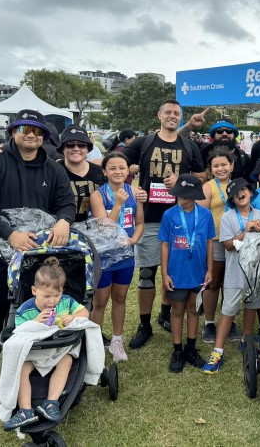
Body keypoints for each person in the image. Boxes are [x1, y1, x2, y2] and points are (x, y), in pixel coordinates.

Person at [0, 109, 76, 422]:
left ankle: (37, 379)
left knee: (35, 315)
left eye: (37, 131)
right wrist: (8, 233)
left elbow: (66, 201)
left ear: (44, 137)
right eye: (25, 129)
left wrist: (65, 219)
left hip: (36, 256)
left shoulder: (53, 169)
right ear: (14, 131)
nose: (31, 135)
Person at [122, 100, 206, 349]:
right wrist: (132, 179)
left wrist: (182, 178)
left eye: (176, 113)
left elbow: (203, 175)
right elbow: (117, 163)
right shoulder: (143, 142)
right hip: (149, 216)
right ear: (158, 115)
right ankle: (144, 324)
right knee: (147, 272)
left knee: (176, 272)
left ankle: (164, 314)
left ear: (181, 118)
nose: (172, 116)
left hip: (180, 215)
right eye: (167, 112)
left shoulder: (189, 145)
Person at [2, 257, 90, 430]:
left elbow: (85, 313)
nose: (52, 301)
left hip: (58, 349)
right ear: (34, 290)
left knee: (67, 361)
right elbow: (19, 332)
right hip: (33, 352)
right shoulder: (26, 310)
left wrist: (73, 317)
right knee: (20, 368)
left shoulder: (66, 302)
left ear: (62, 291)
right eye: (47, 296)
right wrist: (34, 322)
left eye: (56, 295)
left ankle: (51, 402)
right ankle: (25, 410)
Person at [202, 179, 260, 373]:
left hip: (255, 272)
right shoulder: (228, 217)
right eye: (235, 193)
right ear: (231, 199)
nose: (240, 194)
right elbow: (228, 245)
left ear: (250, 192)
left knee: (251, 306)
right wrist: (245, 233)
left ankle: (245, 339)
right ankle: (217, 351)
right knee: (228, 310)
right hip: (234, 273)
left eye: (243, 189)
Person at [89, 152, 144, 363]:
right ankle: (94, 342)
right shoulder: (98, 195)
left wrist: (133, 241)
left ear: (128, 169)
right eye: (112, 168)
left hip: (125, 256)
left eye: (122, 167)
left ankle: (117, 340)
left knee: (120, 297)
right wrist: (119, 204)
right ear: (104, 171)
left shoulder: (135, 192)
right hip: (104, 255)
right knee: (100, 300)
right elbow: (104, 227)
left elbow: (139, 222)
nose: (118, 171)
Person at [159, 174, 215, 373]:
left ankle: (191, 348)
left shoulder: (206, 215)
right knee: (177, 310)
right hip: (176, 273)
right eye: (180, 195)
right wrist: (165, 274)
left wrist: (210, 269)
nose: (183, 199)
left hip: (198, 273)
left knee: (193, 309)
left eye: (188, 195)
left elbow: (209, 243)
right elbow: (164, 245)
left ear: (196, 196)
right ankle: (177, 350)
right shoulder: (169, 215)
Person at [198, 148, 241, 343]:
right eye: (216, 165)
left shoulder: (239, 185)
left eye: (224, 164)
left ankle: (228, 319)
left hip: (237, 240)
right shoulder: (208, 187)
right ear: (211, 168)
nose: (220, 168)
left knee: (231, 283)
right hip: (215, 240)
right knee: (213, 282)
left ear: (231, 166)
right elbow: (202, 216)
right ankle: (208, 323)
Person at [57, 125, 107, 223]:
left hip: (94, 232)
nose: (76, 148)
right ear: (62, 148)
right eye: (70, 144)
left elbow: (119, 191)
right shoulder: (53, 171)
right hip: (59, 230)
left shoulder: (101, 173)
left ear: (87, 148)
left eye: (81, 145)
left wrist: (139, 193)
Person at [180, 115, 252, 182]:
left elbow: (250, 184)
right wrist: (189, 125)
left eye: (229, 131)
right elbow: (175, 140)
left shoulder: (243, 158)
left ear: (234, 134)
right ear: (213, 134)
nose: (224, 134)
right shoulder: (201, 150)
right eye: (219, 131)